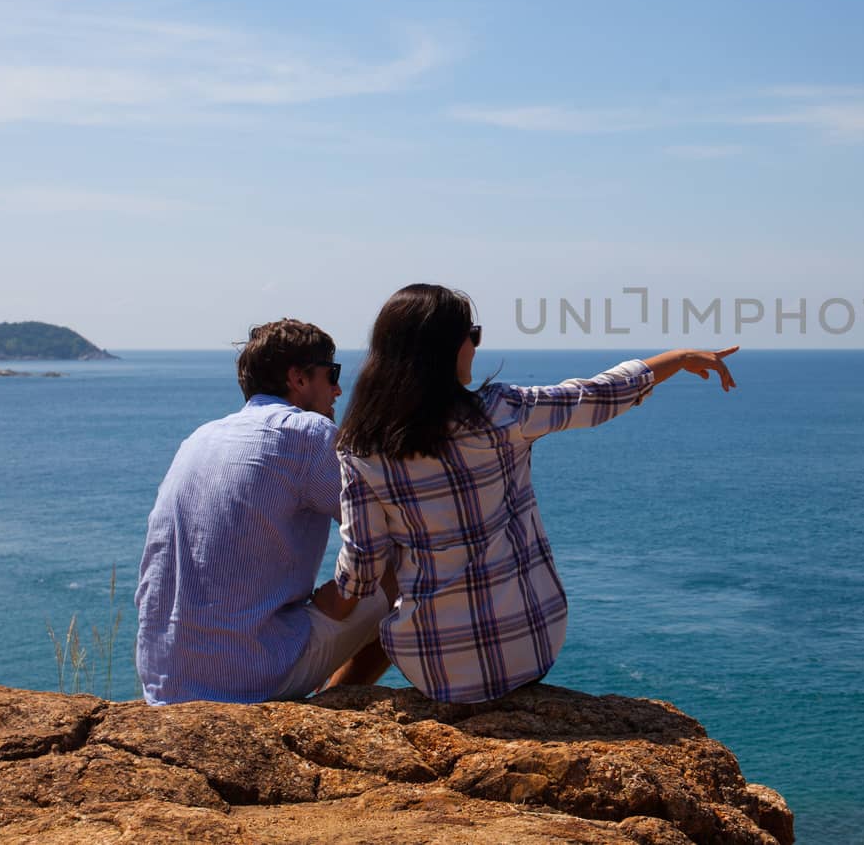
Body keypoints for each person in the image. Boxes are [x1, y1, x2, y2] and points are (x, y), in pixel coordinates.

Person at [313, 283, 737, 704]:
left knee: (389, 593)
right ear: (446, 348)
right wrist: (677, 359)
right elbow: (600, 393)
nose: (475, 347)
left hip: (433, 667)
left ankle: (331, 703)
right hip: (531, 647)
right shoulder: (503, 412)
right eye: (472, 335)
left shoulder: (360, 447)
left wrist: (316, 612)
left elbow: (362, 569)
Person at [134, 319, 394, 704]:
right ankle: (340, 702)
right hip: (248, 678)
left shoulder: (201, 437)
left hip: (164, 678)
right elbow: (389, 530)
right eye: (331, 374)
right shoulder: (309, 434)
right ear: (298, 378)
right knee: (413, 566)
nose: (339, 389)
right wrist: (341, 596)